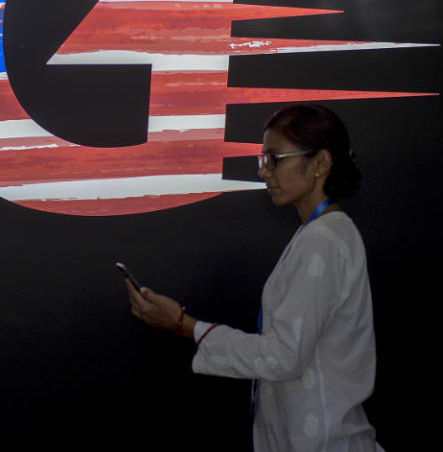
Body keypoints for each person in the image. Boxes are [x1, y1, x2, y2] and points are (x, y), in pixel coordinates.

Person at [126, 104, 383, 452]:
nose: (264, 172)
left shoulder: (323, 241)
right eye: (263, 160)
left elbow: (283, 356)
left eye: (275, 159)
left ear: (321, 163)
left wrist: (185, 325)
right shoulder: (320, 235)